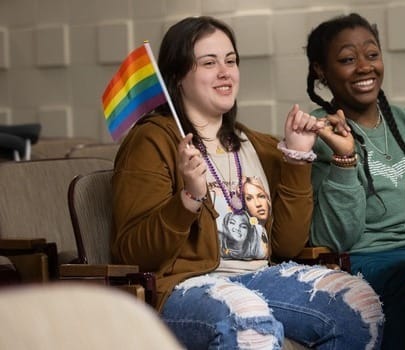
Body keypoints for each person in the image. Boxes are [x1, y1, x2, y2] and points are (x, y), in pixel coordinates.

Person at [111, 16, 384, 349]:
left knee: (358, 307)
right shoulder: (152, 141)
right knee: (247, 316)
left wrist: (297, 158)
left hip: (259, 279)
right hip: (183, 289)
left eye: (231, 61)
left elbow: (287, 246)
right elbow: (132, 250)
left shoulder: (257, 145)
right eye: (209, 63)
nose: (225, 72)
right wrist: (187, 199)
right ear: (179, 76)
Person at [305, 13, 405, 350]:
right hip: (370, 258)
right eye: (347, 59)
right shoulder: (318, 133)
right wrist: (344, 160)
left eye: (372, 55)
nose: (364, 67)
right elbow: (333, 237)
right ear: (320, 70)